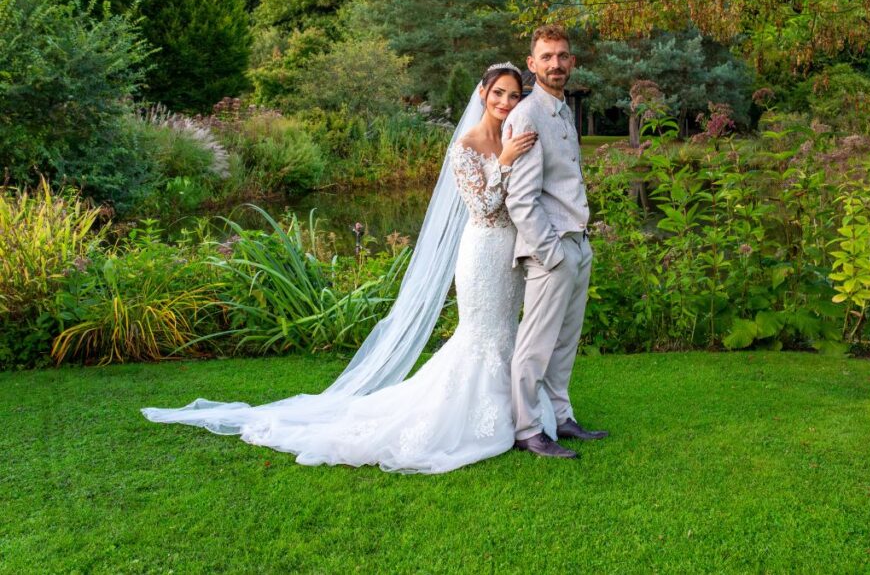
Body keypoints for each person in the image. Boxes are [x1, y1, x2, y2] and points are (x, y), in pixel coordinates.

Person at [142, 63, 540, 474]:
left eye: (513, 96)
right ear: (482, 94)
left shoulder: (513, 136)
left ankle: (519, 411)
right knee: (480, 336)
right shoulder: (466, 146)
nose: (506, 103)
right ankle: (472, 417)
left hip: (512, 253)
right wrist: (505, 163)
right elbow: (482, 206)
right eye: (499, 94)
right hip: (482, 253)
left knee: (506, 331)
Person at [503, 25, 608, 459]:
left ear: (572, 62)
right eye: (546, 57)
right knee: (536, 344)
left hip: (577, 242)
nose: (556, 64)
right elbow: (521, 198)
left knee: (566, 340)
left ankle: (561, 417)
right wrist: (551, 253)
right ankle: (529, 428)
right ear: (532, 64)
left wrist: (579, 246)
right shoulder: (527, 115)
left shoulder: (564, 111)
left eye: (563, 56)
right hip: (552, 251)